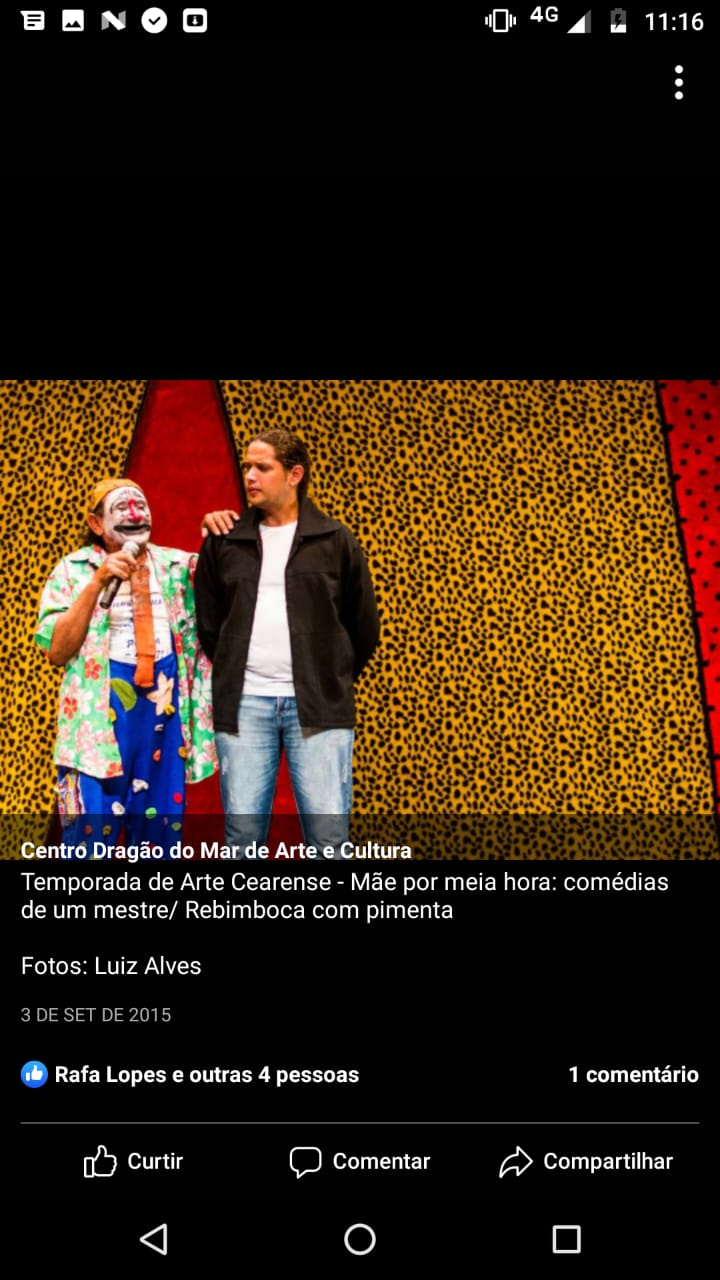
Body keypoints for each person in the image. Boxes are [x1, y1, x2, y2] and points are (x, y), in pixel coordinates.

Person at [194, 429, 380, 859]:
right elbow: (209, 625)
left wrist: (329, 677)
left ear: (294, 474)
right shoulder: (225, 540)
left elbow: (363, 626)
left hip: (318, 706)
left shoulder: (334, 540)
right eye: (247, 466)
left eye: (262, 467)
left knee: (328, 842)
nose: (249, 476)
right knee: (242, 842)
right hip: (245, 704)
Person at [35, 478, 232, 857]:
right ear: (96, 523)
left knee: (159, 845)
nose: (134, 514)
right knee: (87, 847)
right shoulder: (72, 570)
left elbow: (232, 587)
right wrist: (98, 581)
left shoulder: (178, 567)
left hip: (162, 721)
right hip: (95, 731)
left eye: (141, 506)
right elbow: (57, 651)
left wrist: (220, 532)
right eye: (122, 508)